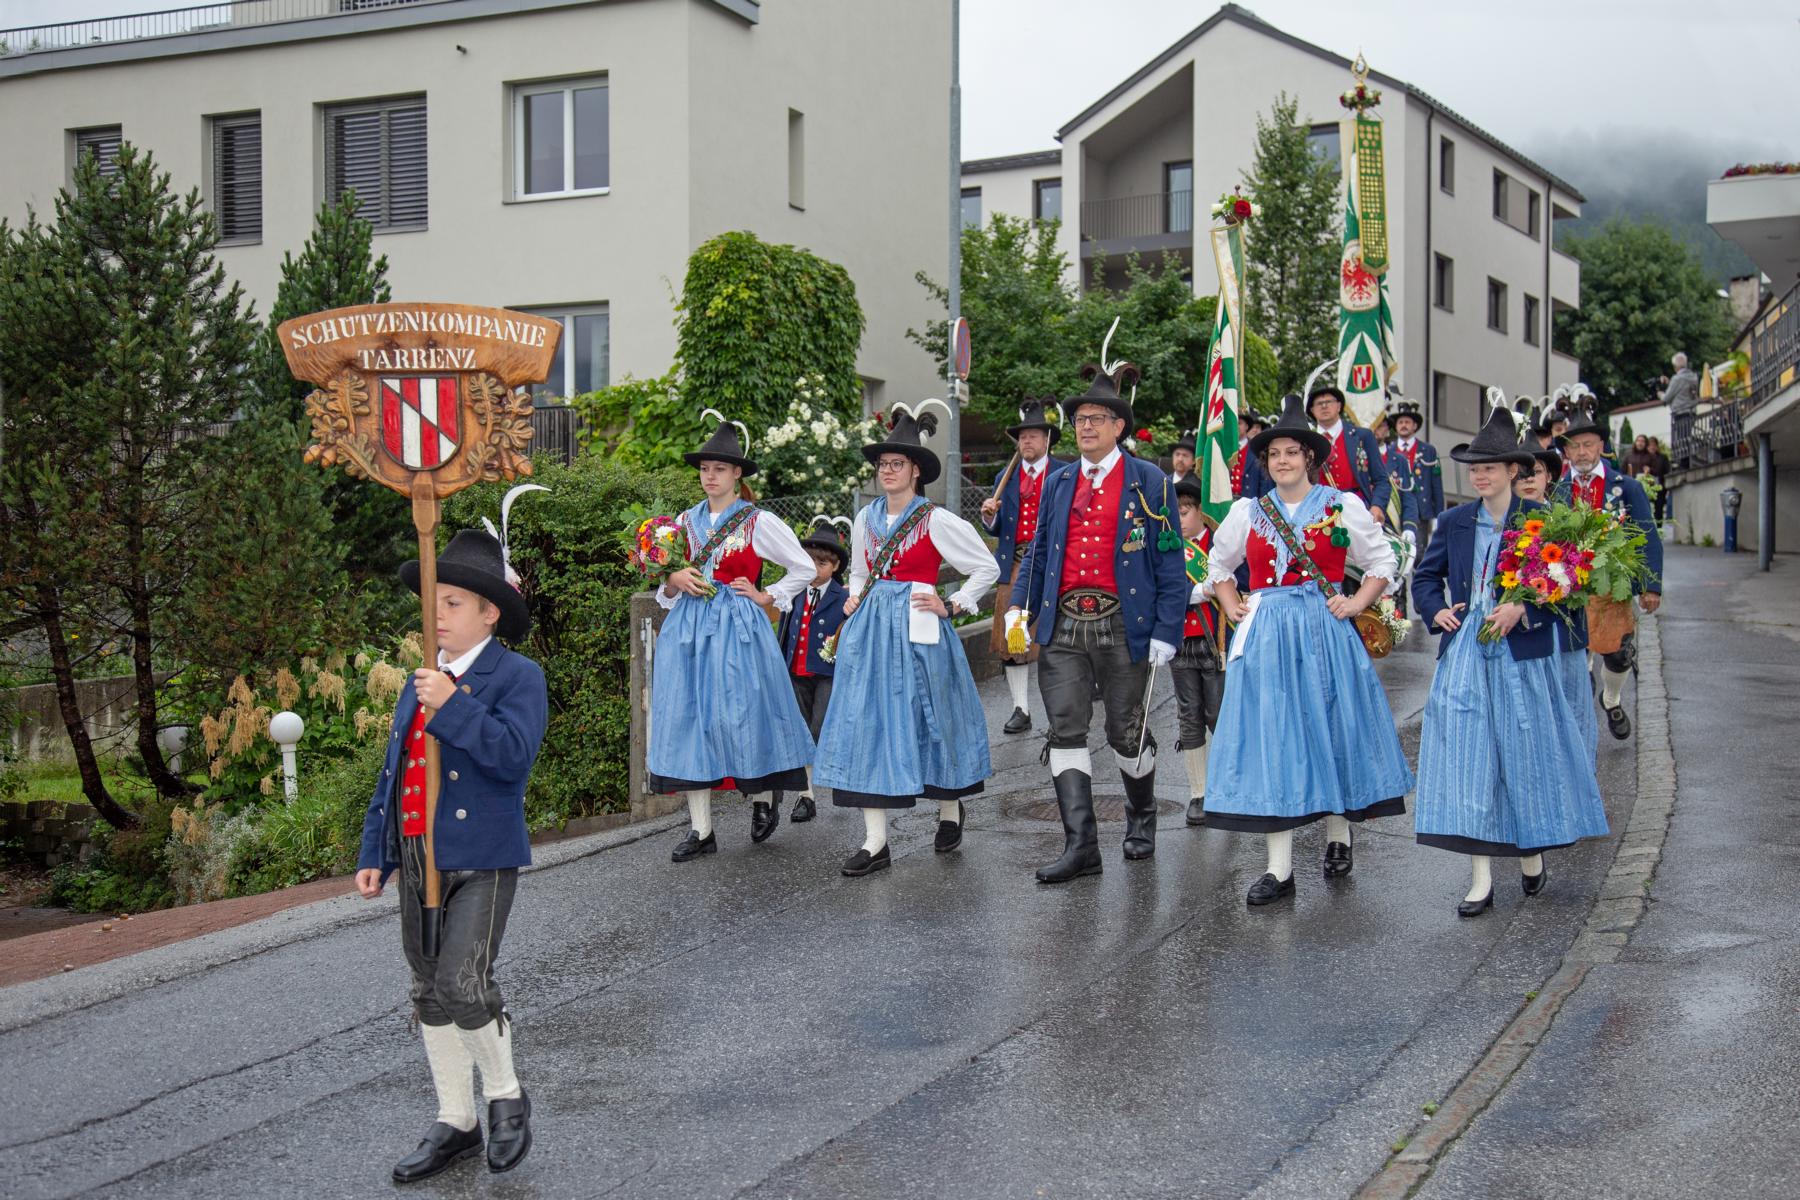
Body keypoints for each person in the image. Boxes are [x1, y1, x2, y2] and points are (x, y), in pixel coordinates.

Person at [354, 529, 549, 1181]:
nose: (437, 614)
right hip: (417, 853)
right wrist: (376, 851)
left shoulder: (517, 676)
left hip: (482, 856)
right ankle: (455, 1120)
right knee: (427, 990)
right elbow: (396, 771)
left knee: (462, 983)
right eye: (433, 602)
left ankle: (505, 1096)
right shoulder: (421, 680)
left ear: (490, 612)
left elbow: (513, 758)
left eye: (454, 603)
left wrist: (452, 707)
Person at [1201, 392, 1414, 906]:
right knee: (1277, 738)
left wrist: (1356, 600)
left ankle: (1339, 835)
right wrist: (1231, 603)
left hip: (1324, 628)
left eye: (1292, 452)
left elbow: (1385, 560)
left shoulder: (1343, 504)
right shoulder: (1248, 511)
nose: (1282, 460)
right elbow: (1218, 565)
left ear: (1310, 459)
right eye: (1274, 454)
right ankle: (1280, 868)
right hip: (1269, 631)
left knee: (1332, 725)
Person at [1413, 406, 1607, 916]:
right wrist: (1438, 613)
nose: (1480, 475)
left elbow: (1568, 589)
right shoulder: (1455, 521)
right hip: (1466, 657)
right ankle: (1480, 879)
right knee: (1470, 760)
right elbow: (1424, 579)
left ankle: (1530, 852)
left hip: (1522, 659)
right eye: (1475, 467)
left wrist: (1523, 607)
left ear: (1514, 471)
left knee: (1523, 758)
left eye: (1491, 467)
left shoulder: (1542, 521)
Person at [1008, 360, 1188, 882]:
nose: (1085, 426)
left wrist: (1166, 631)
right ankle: (1081, 846)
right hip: (1062, 623)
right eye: (1080, 418)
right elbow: (1039, 550)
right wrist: (1021, 603)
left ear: (1118, 428)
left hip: (1123, 624)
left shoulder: (1149, 480)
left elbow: (1170, 561)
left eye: (1096, 418)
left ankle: (1142, 815)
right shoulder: (1059, 480)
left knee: (1125, 734)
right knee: (1064, 729)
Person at [814, 404, 999, 877]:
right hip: (872, 634)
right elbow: (858, 571)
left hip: (920, 630)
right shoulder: (863, 520)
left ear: (916, 471)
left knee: (933, 716)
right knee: (867, 722)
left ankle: (950, 806)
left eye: (897, 464)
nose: (887, 471)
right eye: (882, 465)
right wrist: (855, 598)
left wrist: (953, 604)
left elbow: (987, 568)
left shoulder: (935, 521)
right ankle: (876, 841)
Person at [651, 418, 819, 861]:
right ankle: (701, 830)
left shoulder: (756, 521)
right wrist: (672, 579)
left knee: (746, 715)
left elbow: (802, 567)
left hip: (739, 629)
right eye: (705, 468)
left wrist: (767, 595)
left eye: (720, 469)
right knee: (691, 720)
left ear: (737, 475)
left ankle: (763, 796)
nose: (710, 476)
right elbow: (665, 594)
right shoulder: (681, 524)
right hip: (688, 630)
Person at [1553, 402, 1664, 740]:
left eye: (1588, 444)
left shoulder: (1626, 487)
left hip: (1613, 586)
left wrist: (1651, 585)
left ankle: (1611, 698)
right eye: (1575, 445)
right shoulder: (1557, 490)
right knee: (1576, 652)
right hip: (1570, 587)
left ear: (1601, 446)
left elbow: (1647, 534)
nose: (1582, 452)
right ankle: (1581, 722)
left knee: (1619, 654)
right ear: (1566, 450)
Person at [980, 398, 1063, 735]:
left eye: (1033, 436)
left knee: (1055, 640)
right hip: (1015, 565)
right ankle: (1020, 708)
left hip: (1052, 562)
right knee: (1010, 640)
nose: (1026, 442)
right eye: (1022, 437)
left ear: (1046, 440)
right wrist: (990, 516)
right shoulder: (1006, 476)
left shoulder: (1064, 473)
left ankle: (1060, 711)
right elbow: (997, 527)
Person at [771, 517, 851, 823]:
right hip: (795, 671)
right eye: (809, 561)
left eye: (822, 563)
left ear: (834, 567)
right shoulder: (794, 592)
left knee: (820, 727)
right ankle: (806, 797)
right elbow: (785, 629)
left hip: (827, 673)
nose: (815, 568)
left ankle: (838, 781)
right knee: (802, 731)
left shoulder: (842, 597)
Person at [1172, 475, 1224, 826]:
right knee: (1189, 716)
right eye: (1174, 512)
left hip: (1215, 640)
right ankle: (1198, 792)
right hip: (1180, 642)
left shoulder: (1221, 547)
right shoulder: (1168, 547)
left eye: (1185, 511)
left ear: (1202, 512)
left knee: (1219, 715)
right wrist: (1194, 593)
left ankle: (1229, 786)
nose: (1179, 519)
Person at [1302, 383, 1393, 524]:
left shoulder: (1363, 436)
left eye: (1329, 402)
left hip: (1358, 511)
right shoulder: (1306, 442)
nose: (1324, 406)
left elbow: (1381, 480)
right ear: (1312, 410)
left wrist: (1377, 506)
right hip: (1317, 515)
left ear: (1339, 406)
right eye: (1319, 403)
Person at [1389, 396, 1445, 535]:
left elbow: (1436, 485)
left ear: (1415, 426)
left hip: (1422, 512)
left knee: (1419, 555)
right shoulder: (1389, 451)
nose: (1403, 425)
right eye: (1400, 422)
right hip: (1394, 511)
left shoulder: (1428, 451)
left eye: (1407, 422)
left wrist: (1438, 516)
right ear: (1395, 426)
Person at [1663, 352, 1700, 469]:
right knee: (1687, 437)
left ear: (1676, 367)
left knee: (1681, 439)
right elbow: (1683, 389)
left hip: (1680, 412)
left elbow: (1666, 398)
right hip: (1692, 411)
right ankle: (1686, 461)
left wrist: (1660, 393)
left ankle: (1684, 464)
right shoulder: (1693, 376)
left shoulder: (1677, 378)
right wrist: (1670, 383)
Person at [1233, 411, 1268, 498]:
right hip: (1227, 505)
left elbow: (1264, 482)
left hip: (1249, 503)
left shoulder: (1257, 450)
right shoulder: (1224, 450)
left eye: (1239, 423)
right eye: (1233, 423)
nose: (1236, 426)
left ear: (1247, 427)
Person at [1647, 436, 1671, 524]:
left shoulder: (1662, 458)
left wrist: (1665, 486)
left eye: (1654, 445)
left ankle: (1659, 527)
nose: (1652, 447)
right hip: (1646, 487)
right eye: (1650, 445)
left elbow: (1667, 471)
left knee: (1659, 510)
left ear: (1657, 446)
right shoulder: (1644, 457)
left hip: (1659, 488)